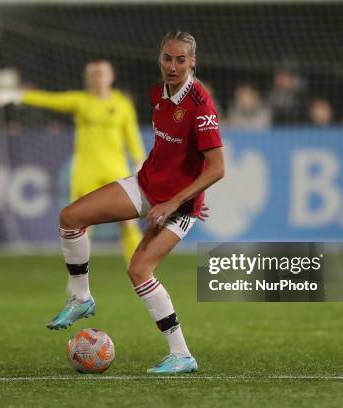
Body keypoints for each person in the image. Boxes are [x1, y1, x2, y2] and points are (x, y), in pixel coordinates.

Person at [45, 31, 224, 374]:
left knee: (139, 269)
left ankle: (181, 354)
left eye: (181, 60)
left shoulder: (201, 105)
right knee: (70, 216)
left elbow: (217, 168)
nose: (173, 66)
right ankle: (81, 298)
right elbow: (169, 151)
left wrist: (177, 201)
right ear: (159, 59)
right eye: (167, 58)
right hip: (145, 185)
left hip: (176, 207)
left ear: (193, 62)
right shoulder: (159, 94)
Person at [0, 60, 145, 264]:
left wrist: (139, 160)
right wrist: (18, 95)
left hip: (116, 170)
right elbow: (49, 100)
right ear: (88, 78)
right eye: (94, 74)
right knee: (80, 225)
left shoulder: (122, 105)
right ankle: (78, 277)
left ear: (111, 77)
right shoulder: (80, 101)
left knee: (127, 223)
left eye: (102, 74)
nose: (98, 78)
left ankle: (140, 269)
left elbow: (131, 135)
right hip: (85, 172)